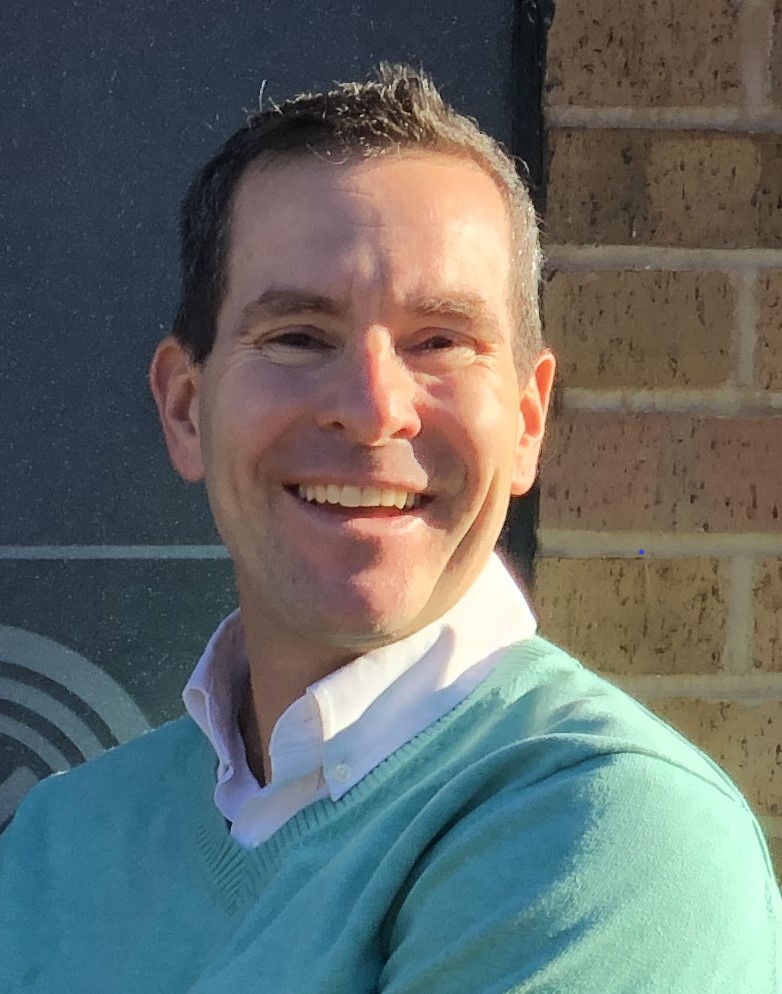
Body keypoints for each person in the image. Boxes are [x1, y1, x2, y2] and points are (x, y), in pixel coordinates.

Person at [1, 63, 779, 993]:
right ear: (184, 409)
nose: (374, 411)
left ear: (527, 421)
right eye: (298, 336)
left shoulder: (617, 834)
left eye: (441, 341)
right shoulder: (59, 838)